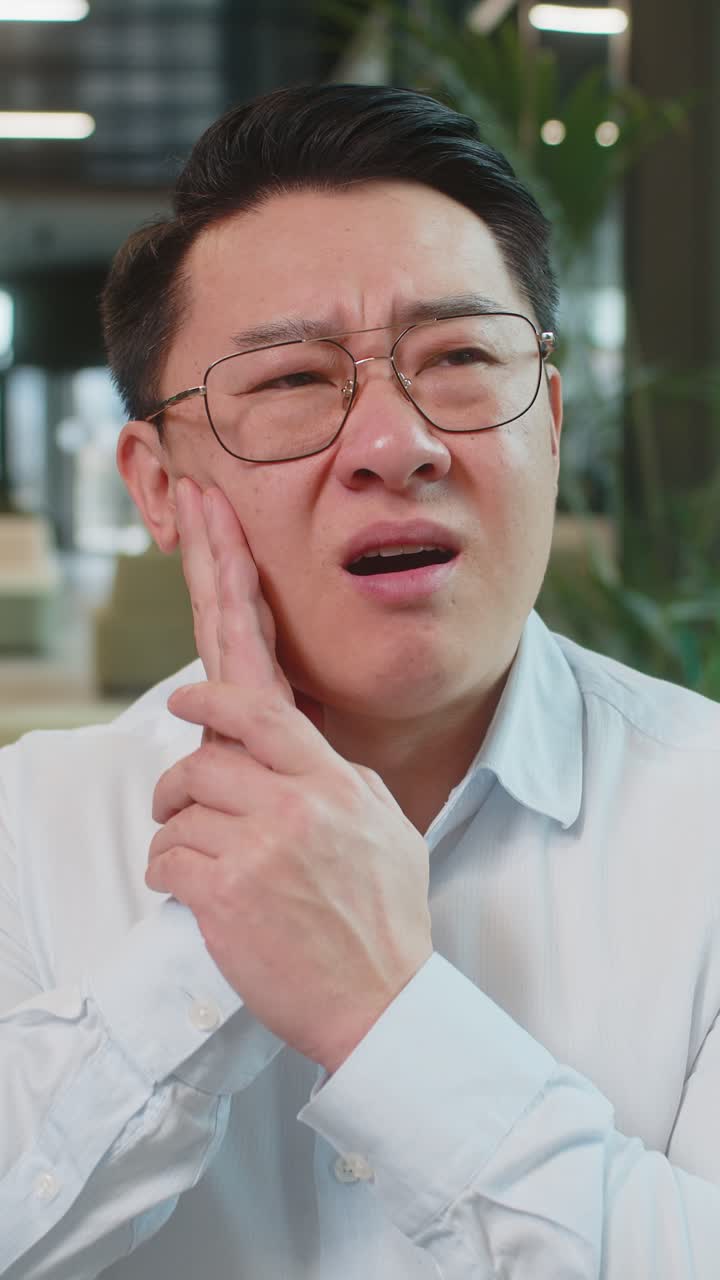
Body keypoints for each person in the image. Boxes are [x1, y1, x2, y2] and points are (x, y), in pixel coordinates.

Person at [1, 82, 719, 1280]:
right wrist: (208, 949)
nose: (398, 444)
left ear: (546, 418)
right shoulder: (26, 826)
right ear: (160, 484)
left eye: (460, 358)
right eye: (289, 381)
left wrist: (384, 1012)